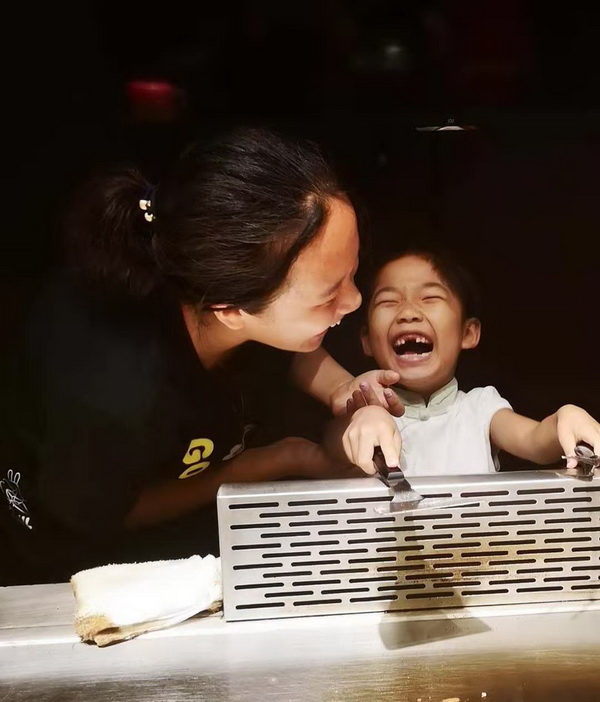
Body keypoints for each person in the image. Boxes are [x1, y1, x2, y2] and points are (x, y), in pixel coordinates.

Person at [0, 127, 401, 584]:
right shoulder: (116, 398)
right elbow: (112, 511)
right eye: (328, 295)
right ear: (230, 311)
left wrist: (344, 388)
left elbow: (289, 346)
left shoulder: (223, 285)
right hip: (72, 557)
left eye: (352, 273)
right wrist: (270, 461)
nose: (354, 301)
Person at [327, 247, 600, 476]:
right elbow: (331, 451)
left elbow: (534, 441)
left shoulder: (480, 407)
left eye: (430, 298)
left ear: (468, 333)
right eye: (388, 301)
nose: (408, 313)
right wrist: (364, 416)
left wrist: (564, 418)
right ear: (366, 340)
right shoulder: (362, 411)